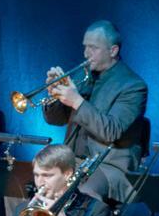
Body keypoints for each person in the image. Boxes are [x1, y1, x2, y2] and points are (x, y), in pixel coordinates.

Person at [38, 20, 147, 205]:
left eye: (93, 48)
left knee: (83, 191)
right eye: (85, 47)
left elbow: (112, 131)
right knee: (36, 181)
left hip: (110, 166)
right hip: (74, 161)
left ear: (113, 51)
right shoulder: (83, 76)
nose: (86, 53)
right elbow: (56, 120)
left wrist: (76, 101)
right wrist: (55, 95)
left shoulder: (133, 86)